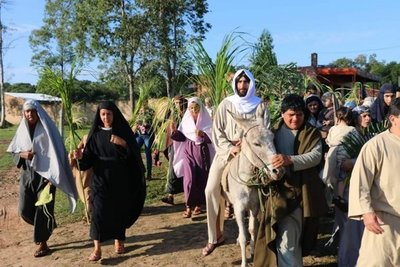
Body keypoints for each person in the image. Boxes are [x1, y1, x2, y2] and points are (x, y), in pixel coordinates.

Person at [202, 69, 271, 256]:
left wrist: (251, 146)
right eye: (239, 82)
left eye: (245, 81)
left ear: (251, 83)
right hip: (228, 152)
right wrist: (230, 148)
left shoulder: (261, 106)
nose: (242, 85)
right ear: (235, 84)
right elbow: (217, 132)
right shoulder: (226, 104)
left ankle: (266, 234)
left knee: (270, 184)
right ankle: (214, 236)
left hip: (256, 155)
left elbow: (266, 130)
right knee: (210, 189)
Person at [254, 94, 327, 267]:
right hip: (278, 193)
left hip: (303, 193)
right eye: (291, 115)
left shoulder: (311, 133)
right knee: (286, 240)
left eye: (299, 114)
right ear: (282, 114)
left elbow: (315, 157)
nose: (295, 119)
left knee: (291, 240)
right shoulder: (273, 134)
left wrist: (290, 160)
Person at [71, 101, 146, 261]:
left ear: (114, 115)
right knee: (97, 213)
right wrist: (80, 158)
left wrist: (124, 144)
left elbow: (133, 157)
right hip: (99, 180)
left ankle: (119, 241)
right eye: (103, 114)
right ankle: (97, 249)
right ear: (99, 115)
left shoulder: (123, 132)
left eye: (109, 114)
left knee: (119, 211)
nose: (106, 117)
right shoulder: (95, 135)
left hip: (120, 179)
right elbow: (87, 162)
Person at [7, 99, 78, 257]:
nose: (29, 114)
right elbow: (13, 151)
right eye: (27, 112)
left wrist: (52, 176)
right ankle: (47, 225)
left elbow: (56, 153)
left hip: (45, 177)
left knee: (43, 209)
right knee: (24, 210)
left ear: (38, 113)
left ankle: (43, 243)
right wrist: (22, 155)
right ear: (23, 114)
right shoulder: (22, 130)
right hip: (27, 176)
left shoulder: (47, 130)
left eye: (32, 111)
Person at [348, 97, 400, 266]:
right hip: (384, 220)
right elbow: (360, 181)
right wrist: (367, 212)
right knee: (377, 262)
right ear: (393, 119)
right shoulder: (376, 145)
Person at [171, 97, 215, 218]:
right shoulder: (185, 121)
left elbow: (212, 138)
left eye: (196, 108)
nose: (193, 110)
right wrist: (174, 132)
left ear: (200, 108)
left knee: (201, 177)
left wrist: (203, 134)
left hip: (202, 151)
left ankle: (198, 205)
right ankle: (188, 206)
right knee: (189, 179)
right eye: (191, 108)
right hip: (188, 150)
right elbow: (182, 137)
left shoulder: (206, 121)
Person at [160, 95, 187, 205]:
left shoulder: (188, 115)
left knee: (187, 170)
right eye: (175, 103)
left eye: (179, 102)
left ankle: (189, 197)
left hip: (186, 146)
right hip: (174, 146)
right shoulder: (172, 116)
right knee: (172, 169)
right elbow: (167, 130)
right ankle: (170, 195)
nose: (177, 105)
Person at [134, 101, 155, 180]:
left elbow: (154, 122)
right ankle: (141, 169)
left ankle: (149, 175)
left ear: (146, 102)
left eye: (144, 102)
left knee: (147, 154)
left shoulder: (151, 111)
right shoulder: (138, 111)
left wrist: (147, 123)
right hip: (139, 135)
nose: (143, 104)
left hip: (147, 136)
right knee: (135, 150)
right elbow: (136, 122)